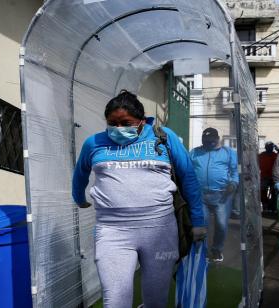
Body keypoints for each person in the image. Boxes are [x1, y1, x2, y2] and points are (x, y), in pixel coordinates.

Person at [71, 90, 206, 308]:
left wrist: (198, 221)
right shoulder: (94, 143)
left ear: (142, 121)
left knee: (156, 300)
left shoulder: (163, 137)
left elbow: (188, 176)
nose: (118, 129)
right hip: (112, 232)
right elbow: (80, 174)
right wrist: (78, 197)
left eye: (126, 123)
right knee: (115, 301)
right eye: (112, 123)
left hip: (160, 230)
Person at [190, 127, 239, 263]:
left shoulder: (228, 153)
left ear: (217, 139)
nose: (208, 144)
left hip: (222, 195)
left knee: (221, 224)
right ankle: (202, 251)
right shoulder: (195, 152)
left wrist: (234, 184)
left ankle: (217, 250)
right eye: (205, 142)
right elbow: (187, 169)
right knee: (202, 224)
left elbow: (235, 172)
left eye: (211, 141)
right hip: (201, 195)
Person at [259, 141, 278, 214]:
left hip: (274, 177)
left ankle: (273, 207)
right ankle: (265, 206)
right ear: (266, 147)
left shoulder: (276, 155)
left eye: (271, 146)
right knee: (263, 191)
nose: (270, 148)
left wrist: (278, 150)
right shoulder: (261, 155)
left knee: (275, 192)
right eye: (268, 146)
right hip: (264, 177)